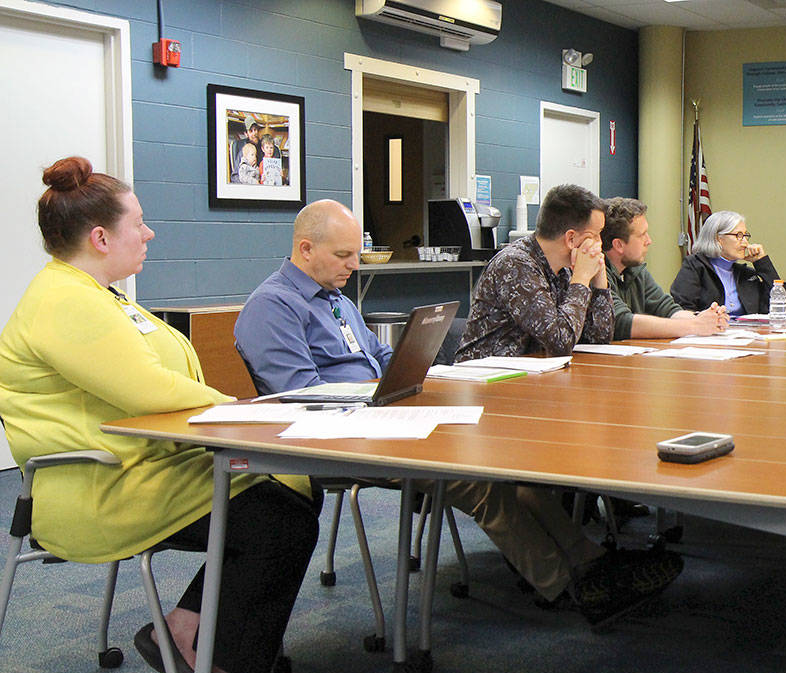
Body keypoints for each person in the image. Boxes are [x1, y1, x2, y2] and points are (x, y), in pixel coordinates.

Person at [235, 199, 681, 623]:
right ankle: (566, 584)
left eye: (356, 255)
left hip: (382, 414)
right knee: (472, 477)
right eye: (344, 255)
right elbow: (301, 396)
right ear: (305, 249)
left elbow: (381, 359)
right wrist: (383, 399)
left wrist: (418, 372)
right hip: (337, 436)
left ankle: (592, 563)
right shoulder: (272, 307)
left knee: (505, 469)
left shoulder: (337, 300)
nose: (354, 266)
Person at [0, 157, 318, 673]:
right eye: (138, 223)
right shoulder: (63, 301)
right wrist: (241, 413)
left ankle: (190, 627)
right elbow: (148, 388)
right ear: (101, 238)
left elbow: (158, 380)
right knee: (276, 515)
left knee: (295, 485)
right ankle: (222, 661)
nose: (149, 233)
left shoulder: (99, 294)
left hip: (143, 464)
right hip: (98, 484)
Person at [457, 184, 614, 359]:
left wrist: (599, 280)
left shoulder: (563, 270)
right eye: (595, 235)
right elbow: (560, 344)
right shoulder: (515, 264)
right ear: (571, 238)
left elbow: (598, 339)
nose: (599, 243)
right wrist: (582, 278)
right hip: (486, 379)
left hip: (530, 376)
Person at [602, 197, 728, 339]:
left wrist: (704, 319)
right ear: (618, 245)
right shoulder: (598, 272)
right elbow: (621, 322)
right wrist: (694, 326)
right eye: (642, 235)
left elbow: (667, 308)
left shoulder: (636, 270)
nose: (649, 241)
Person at [669, 210, 780, 316]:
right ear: (718, 238)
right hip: (708, 333)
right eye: (739, 235)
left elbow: (777, 306)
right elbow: (682, 310)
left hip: (747, 333)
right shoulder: (695, 266)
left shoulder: (746, 274)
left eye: (746, 236)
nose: (746, 243)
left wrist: (762, 263)